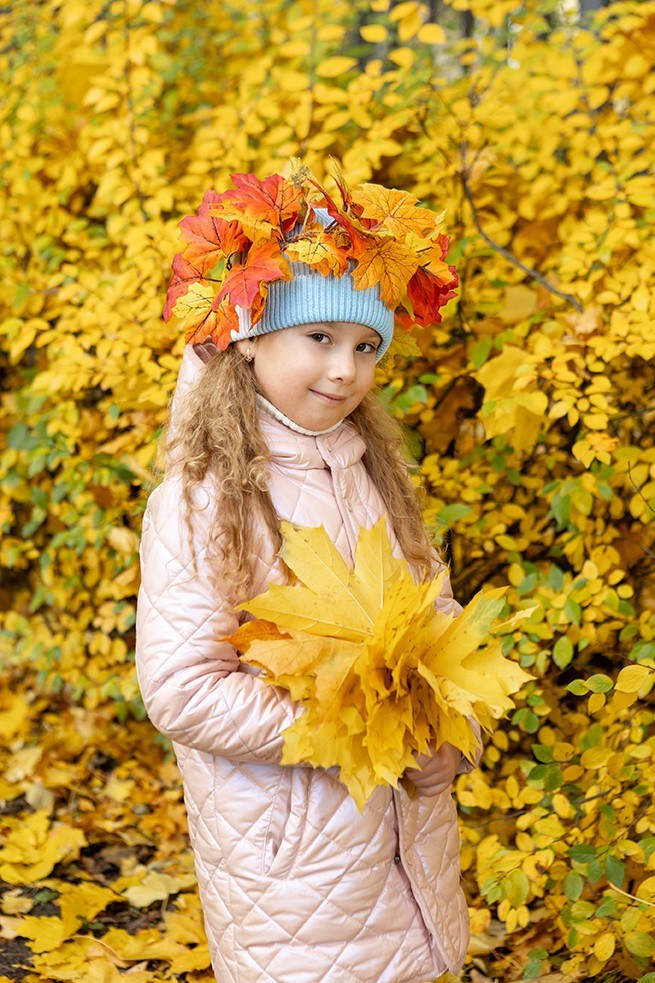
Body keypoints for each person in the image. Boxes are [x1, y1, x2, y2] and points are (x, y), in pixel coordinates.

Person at [135, 166, 483, 983]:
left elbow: (435, 623)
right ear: (251, 337)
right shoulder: (206, 498)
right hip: (290, 863)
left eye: (366, 346)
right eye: (318, 338)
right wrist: (352, 730)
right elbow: (183, 686)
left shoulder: (372, 473)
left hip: (401, 843)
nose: (344, 370)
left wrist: (450, 736)